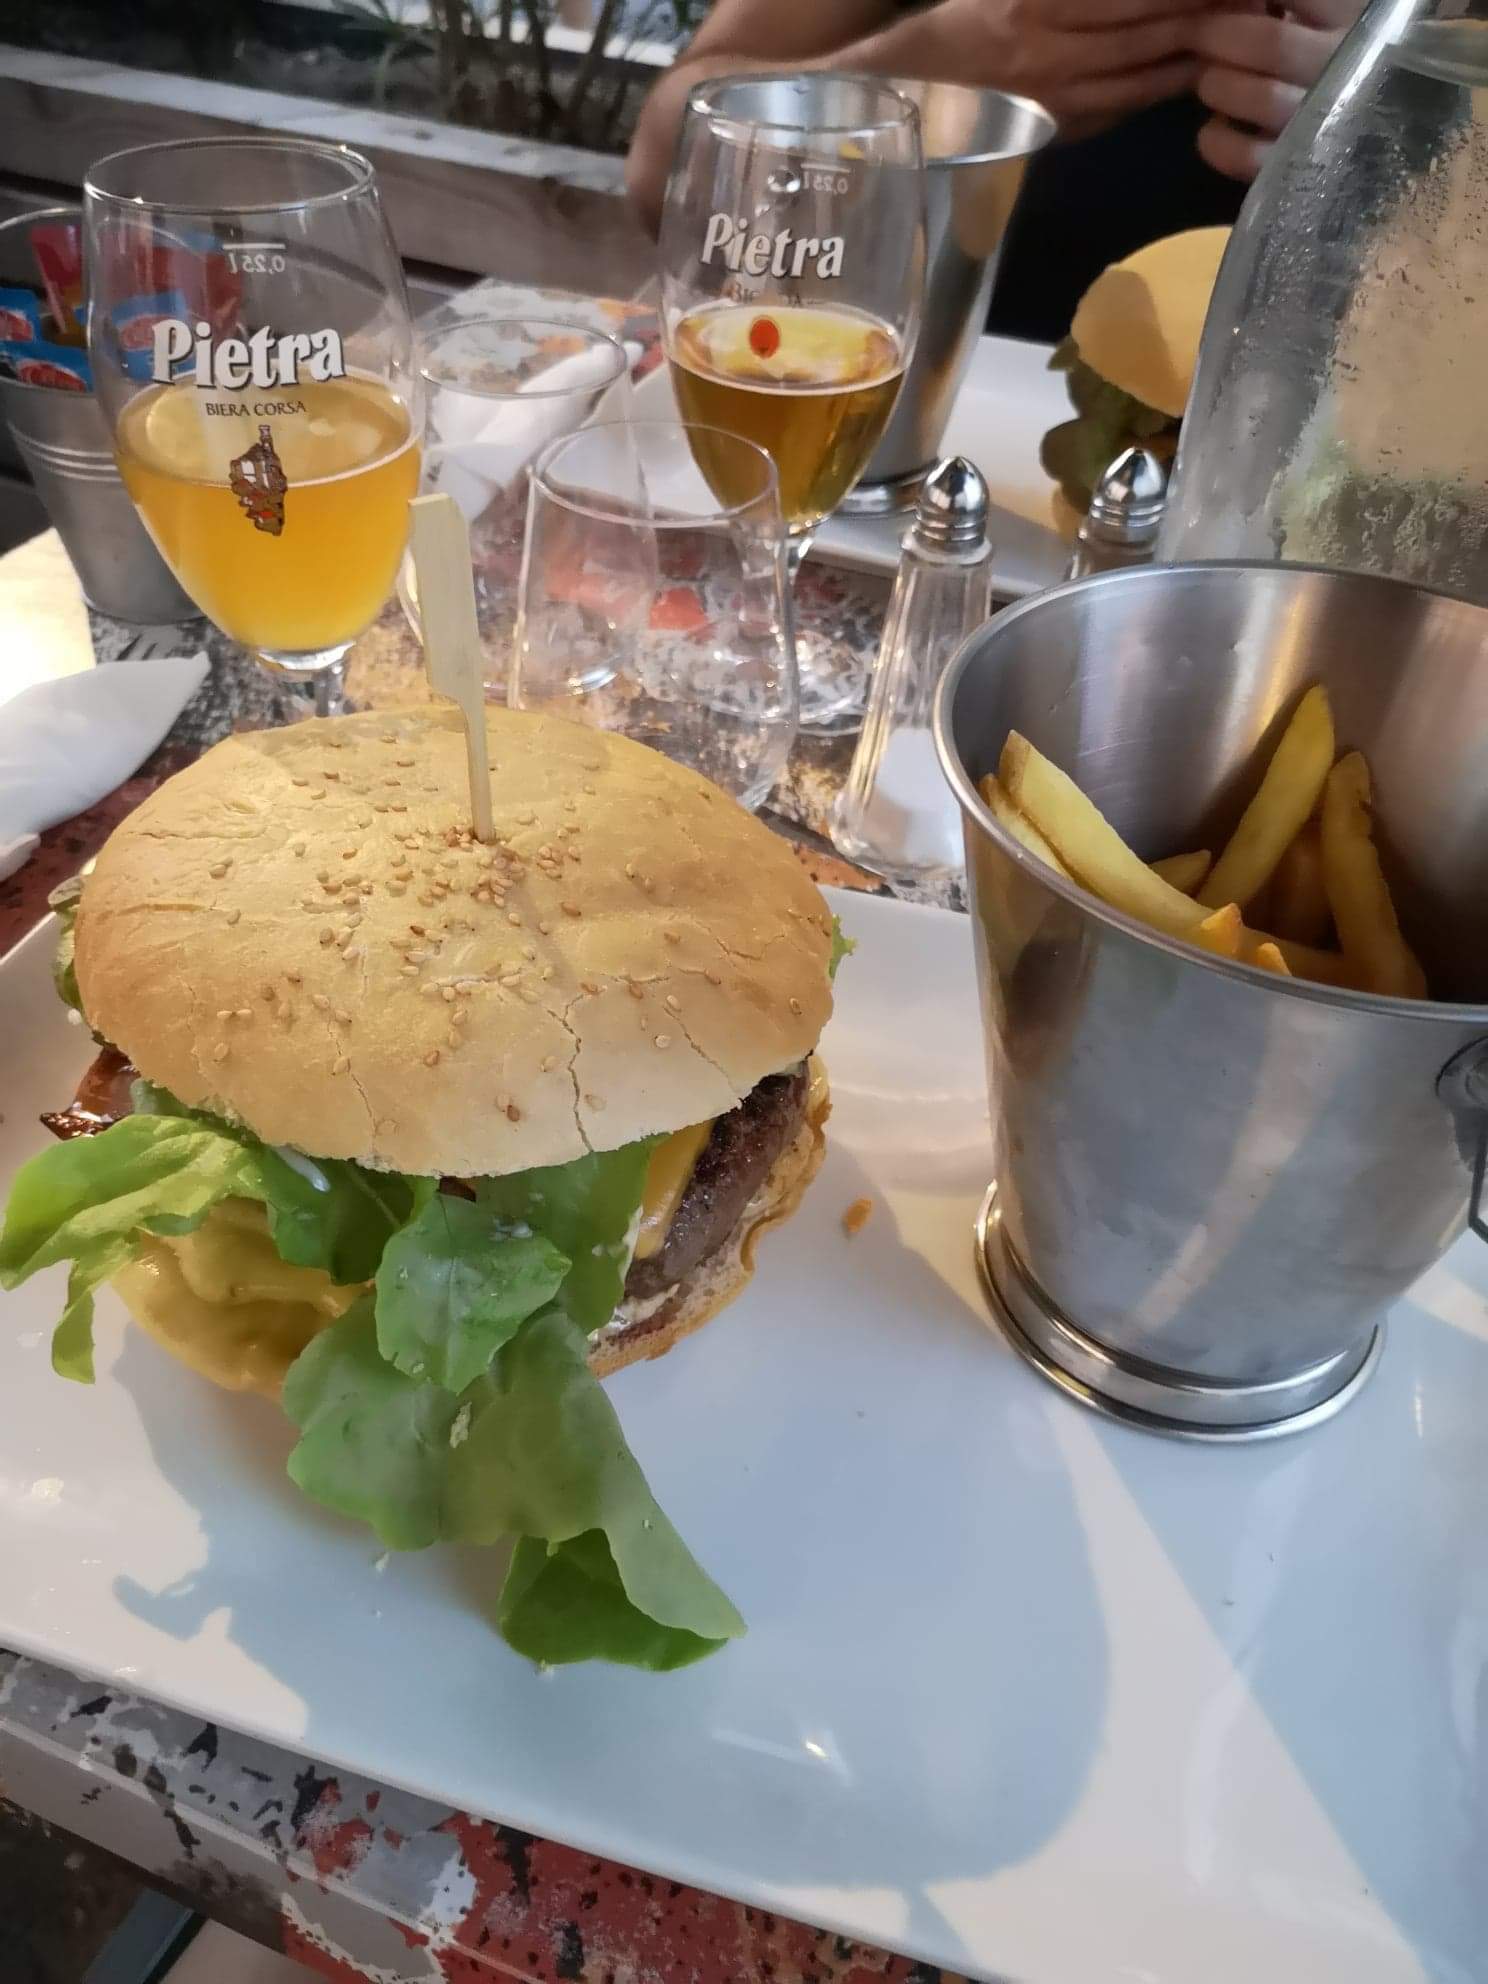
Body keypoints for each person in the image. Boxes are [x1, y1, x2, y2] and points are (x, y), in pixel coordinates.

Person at [625, 0, 1363, 340]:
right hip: (871, 462)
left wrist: (1392, 108)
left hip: (1297, 523)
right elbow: (663, 163)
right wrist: (920, 77)